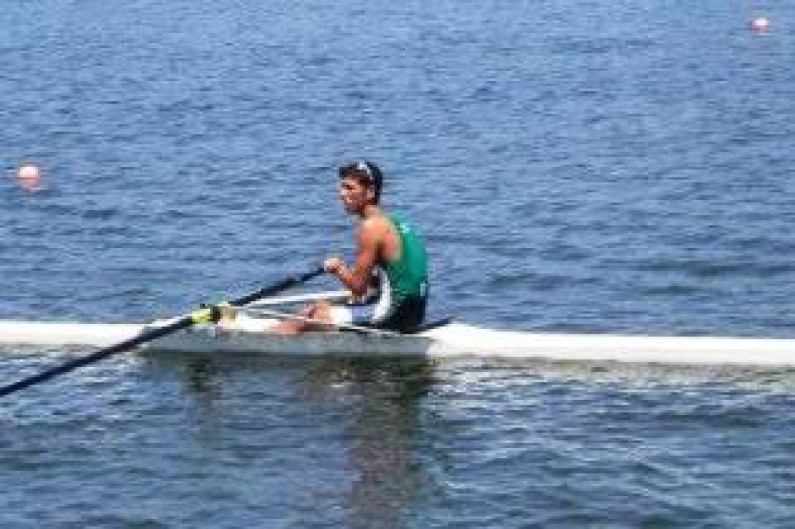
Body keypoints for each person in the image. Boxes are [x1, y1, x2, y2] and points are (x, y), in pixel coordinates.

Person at [274, 161, 429, 334]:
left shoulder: (371, 227)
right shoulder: (397, 221)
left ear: (370, 192)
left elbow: (359, 288)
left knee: (312, 315)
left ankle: (264, 340)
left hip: (394, 316)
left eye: (349, 188)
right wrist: (365, 280)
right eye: (341, 187)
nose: (342, 194)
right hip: (415, 313)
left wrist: (339, 268)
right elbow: (393, 276)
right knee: (324, 305)